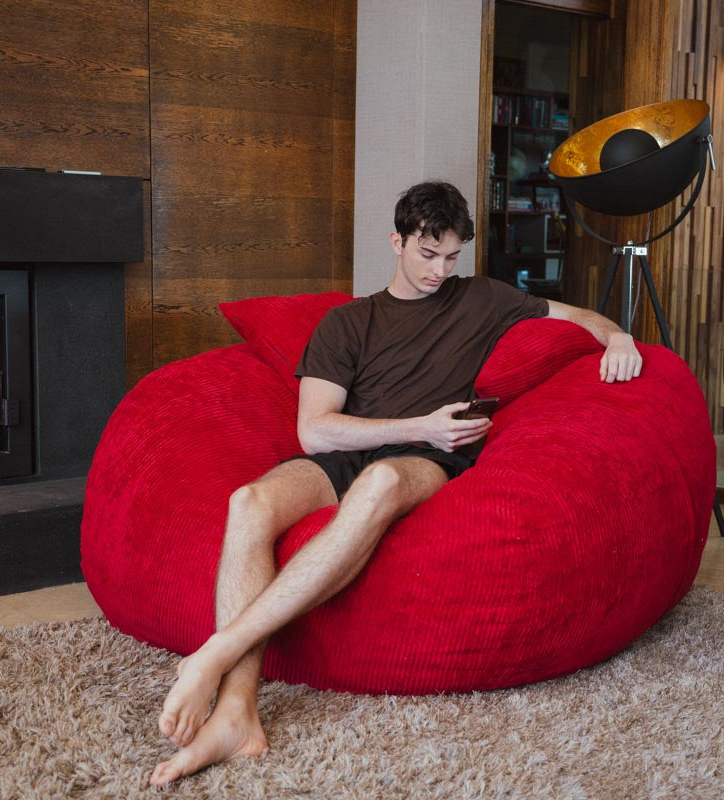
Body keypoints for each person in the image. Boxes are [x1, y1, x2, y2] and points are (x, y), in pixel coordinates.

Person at [149, 181, 643, 787]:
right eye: (427, 254)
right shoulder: (348, 323)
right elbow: (314, 433)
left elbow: (576, 316)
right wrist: (420, 422)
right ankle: (236, 713)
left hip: (424, 457)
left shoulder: (482, 299)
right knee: (248, 502)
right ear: (397, 241)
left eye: (451, 257)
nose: (440, 271)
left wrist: (618, 337)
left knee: (382, 481)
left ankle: (216, 655)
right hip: (360, 444)